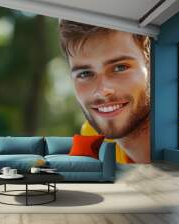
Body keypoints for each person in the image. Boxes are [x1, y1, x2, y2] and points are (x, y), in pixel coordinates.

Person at [59, 20, 151, 163]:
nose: (102, 91)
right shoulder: (92, 137)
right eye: (85, 74)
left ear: (151, 64)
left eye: (120, 67)